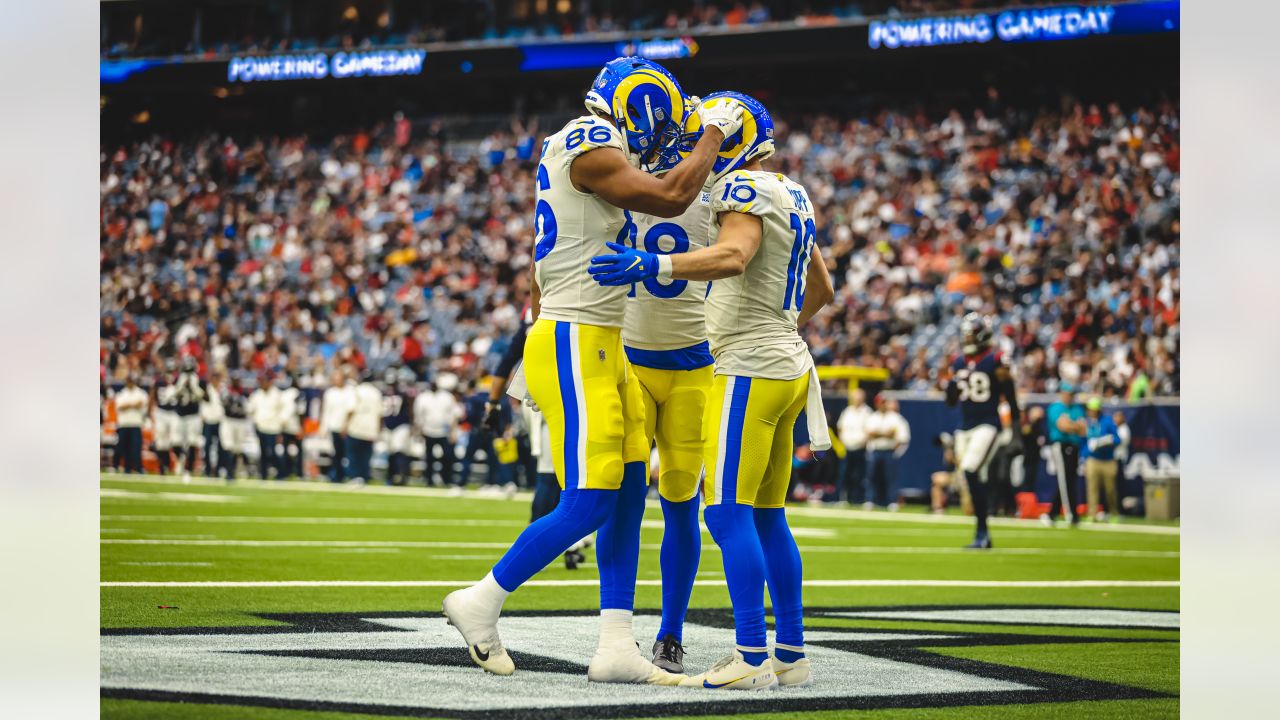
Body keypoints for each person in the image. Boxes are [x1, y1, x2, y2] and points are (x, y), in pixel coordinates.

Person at [442, 56, 738, 685]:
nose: (656, 140)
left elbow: (537, 264)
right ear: (642, 105)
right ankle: (482, 599)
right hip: (577, 340)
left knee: (632, 490)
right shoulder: (587, 138)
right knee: (591, 498)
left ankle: (615, 645)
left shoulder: (583, 146)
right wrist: (714, 131)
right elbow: (670, 195)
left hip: (598, 339)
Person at [590, 91, 832, 690]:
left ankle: (750, 657)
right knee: (769, 516)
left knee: (724, 512)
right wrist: (776, 327)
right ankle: (791, 657)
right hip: (788, 364)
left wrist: (658, 267)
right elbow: (822, 288)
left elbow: (733, 254)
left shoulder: (742, 190)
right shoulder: (791, 191)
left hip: (750, 367)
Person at [610, 100, 721, 674]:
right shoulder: (617, 170)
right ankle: (616, 633)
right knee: (624, 502)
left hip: (693, 365)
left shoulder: (724, 186)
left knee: (680, 504)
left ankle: (671, 633)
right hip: (630, 360)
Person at [944, 312, 1022, 548]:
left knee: (970, 470)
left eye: (971, 335)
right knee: (973, 477)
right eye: (965, 335)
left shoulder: (996, 358)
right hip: (964, 426)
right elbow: (950, 401)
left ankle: (982, 531)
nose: (967, 339)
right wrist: (953, 385)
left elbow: (1009, 393)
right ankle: (984, 531)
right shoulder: (958, 362)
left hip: (987, 424)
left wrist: (1016, 428)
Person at [1044, 383, 1087, 526]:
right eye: (1068, 393)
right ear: (1062, 393)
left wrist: (1071, 425)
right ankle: (1071, 514)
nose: (1070, 396)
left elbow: (1083, 429)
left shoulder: (1076, 408)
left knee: (1070, 480)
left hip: (1074, 446)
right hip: (1061, 445)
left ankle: (1052, 514)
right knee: (1064, 481)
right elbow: (1063, 426)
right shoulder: (1056, 407)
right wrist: (1073, 426)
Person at [864, 395, 909, 511]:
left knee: (890, 478)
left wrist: (878, 434)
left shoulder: (896, 418)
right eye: (880, 402)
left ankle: (892, 501)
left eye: (884, 402)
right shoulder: (872, 417)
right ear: (876, 404)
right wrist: (886, 434)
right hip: (875, 451)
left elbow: (901, 437)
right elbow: (869, 434)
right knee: (872, 477)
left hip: (889, 451)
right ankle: (870, 500)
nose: (882, 405)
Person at [415, 378, 462, 489]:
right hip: (428, 430)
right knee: (429, 457)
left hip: (444, 432)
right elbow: (419, 415)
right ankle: (429, 480)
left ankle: (446, 479)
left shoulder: (447, 397)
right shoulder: (423, 397)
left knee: (447, 456)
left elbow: (455, 414)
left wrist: (453, 432)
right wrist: (419, 430)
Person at [1084, 397, 1121, 521]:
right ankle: (1092, 514)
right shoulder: (1086, 422)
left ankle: (1114, 513)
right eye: (1090, 409)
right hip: (1093, 459)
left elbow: (1117, 439)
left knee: (1110, 490)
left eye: (1094, 409)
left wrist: (1104, 441)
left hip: (1108, 460)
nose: (1092, 412)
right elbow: (1084, 443)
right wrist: (1085, 454)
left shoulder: (1107, 421)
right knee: (1092, 489)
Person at [345, 370, 383, 485]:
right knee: (366, 456)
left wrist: (345, 425)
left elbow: (351, 409)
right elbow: (380, 414)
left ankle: (355, 476)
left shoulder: (357, 391)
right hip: (370, 428)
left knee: (353, 454)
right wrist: (378, 429)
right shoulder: (377, 393)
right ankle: (364, 476)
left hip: (356, 427)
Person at [172, 356, 206, 481]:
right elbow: (173, 395)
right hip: (179, 414)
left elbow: (205, 397)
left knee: (192, 442)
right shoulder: (177, 379)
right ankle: (181, 458)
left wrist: (194, 387)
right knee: (175, 442)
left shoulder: (200, 380)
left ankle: (188, 470)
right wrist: (181, 386)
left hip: (193, 415)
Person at [835, 388, 871, 505]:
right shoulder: (847, 411)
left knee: (859, 475)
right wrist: (843, 440)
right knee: (845, 474)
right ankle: (843, 498)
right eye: (855, 398)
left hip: (860, 448)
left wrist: (863, 442)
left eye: (859, 398)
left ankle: (858, 499)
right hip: (847, 447)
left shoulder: (867, 412)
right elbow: (840, 427)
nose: (856, 400)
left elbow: (869, 430)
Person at [382, 367, 416, 486]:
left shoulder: (403, 394)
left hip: (401, 425)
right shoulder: (385, 394)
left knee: (400, 450)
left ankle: (402, 476)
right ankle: (391, 476)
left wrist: (412, 425)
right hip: (389, 425)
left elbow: (410, 410)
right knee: (391, 452)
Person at [247, 374, 283, 480]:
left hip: (273, 428)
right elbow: (250, 409)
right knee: (263, 452)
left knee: (272, 452)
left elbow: (282, 410)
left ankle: (280, 473)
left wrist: (280, 422)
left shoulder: (277, 394)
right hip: (261, 427)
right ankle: (263, 474)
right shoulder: (256, 395)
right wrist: (255, 421)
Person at [321, 368, 353, 483]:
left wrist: (346, 426)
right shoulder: (330, 393)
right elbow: (326, 411)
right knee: (336, 453)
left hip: (345, 428)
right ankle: (336, 475)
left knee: (347, 453)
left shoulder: (349, 391)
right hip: (333, 426)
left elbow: (351, 410)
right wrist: (323, 428)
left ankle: (347, 474)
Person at [115, 375, 148, 474]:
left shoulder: (140, 393)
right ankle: (127, 468)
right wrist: (134, 404)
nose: (130, 383)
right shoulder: (121, 393)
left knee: (136, 447)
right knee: (124, 448)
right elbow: (120, 406)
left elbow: (142, 405)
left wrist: (128, 405)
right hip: (123, 424)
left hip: (136, 424)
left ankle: (138, 467)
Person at [218, 377, 249, 480]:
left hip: (240, 421)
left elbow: (247, 407)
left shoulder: (244, 392)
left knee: (238, 448)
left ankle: (233, 470)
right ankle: (228, 471)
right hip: (229, 420)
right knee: (228, 446)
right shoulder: (226, 392)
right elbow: (223, 403)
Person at [151, 363, 178, 474]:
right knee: (161, 441)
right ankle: (162, 466)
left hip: (173, 413)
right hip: (161, 412)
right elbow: (153, 396)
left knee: (175, 440)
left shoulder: (178, 382)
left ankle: (176, 466)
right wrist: (151, 411)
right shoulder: (159, 382)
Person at [277, 374, 304, 479]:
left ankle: (284, 472)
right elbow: (301, 411)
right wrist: (301, 428)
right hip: (295, 426)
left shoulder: (283, 394)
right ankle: (298, 473)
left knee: (285, 451)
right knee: (299, 451)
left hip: (284, 425)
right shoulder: (298, 394)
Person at [199, 373, 224, 477]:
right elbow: (203, 403)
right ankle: (207, 469)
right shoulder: (206, 390)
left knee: (221, 447)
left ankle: (218, 469)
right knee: (207, 446)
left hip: (220, 421)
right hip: (208, 421)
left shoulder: (223, 390)